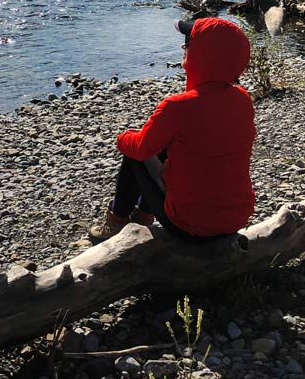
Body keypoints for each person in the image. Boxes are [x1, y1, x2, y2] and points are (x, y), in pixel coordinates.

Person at [88, 16, 256, 242]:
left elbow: (141, 148)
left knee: (136, 151)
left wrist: (122, 137)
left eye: (188, 43)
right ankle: (140, 217)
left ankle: (116, 220)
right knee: (166, 145)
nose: (183, 47)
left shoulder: (178, 106)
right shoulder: (242, 99)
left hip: (190, 225)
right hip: (235, 217)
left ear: (199, 55)